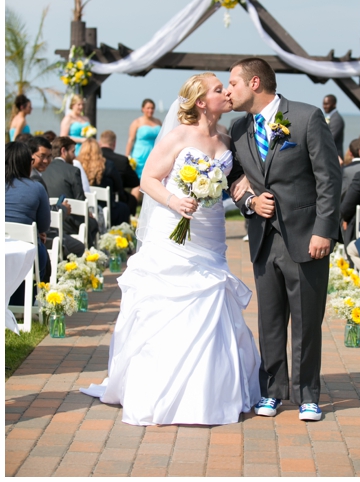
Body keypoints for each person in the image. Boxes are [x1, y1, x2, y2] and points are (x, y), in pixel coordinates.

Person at [81, 73, 261, 425]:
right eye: (218, 90)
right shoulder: (178, 135)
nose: (226, 92)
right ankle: (157, 388)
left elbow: (238, 178)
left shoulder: (226, 136)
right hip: (173, 228)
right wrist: (175, 201)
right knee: (168, 300)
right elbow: (148, 178)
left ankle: (209, 391)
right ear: (200, 102)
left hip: (210, 231)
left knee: (210, 297)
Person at [226, 57, 342, 422]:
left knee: (306, 321)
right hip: (263, 238)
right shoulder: (238, 128)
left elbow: (329, 178)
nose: (228, 90)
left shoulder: (307, 118)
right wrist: (249, 201)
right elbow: (237, 179)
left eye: (233, 83)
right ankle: (272, 391)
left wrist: (324, 229)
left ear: (255, 83)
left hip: (307, 237)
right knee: (270, 320)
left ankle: (308, 394)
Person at [6, 141, 51, 306]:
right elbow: (45, 225)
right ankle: (22, 305)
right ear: (27, 163)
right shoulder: (36, 188)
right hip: (25, 251)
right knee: (40, 252)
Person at [28, 135, 84, 256]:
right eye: (42, 156)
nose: (46, 161)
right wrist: (63, 208)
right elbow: (43, 214)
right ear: (30, 155)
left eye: (49, 157)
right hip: (40, 233)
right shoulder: (34, 179)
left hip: (37, 231)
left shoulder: (35, 175)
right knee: (79, 246)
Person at [42, 136, 98, 246]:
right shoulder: (73, 171)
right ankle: (89, 252)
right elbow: (80, 200)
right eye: (73, 151)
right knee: (93, 223)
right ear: (63, 151)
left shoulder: (43, 171)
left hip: (48, 221)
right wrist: (87, 212)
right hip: (68, 221)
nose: (75, 156)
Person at [77, 138, 130, 226]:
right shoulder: (108, 165)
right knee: (123, 208)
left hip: (83, 208)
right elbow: (118, 187)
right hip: (106, 207)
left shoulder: (76, 166)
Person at [99, 130, 140, 214]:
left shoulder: (91, 159)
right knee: (131, 200)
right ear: (114, 143)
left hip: (94, 195)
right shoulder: (122, 160)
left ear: (100, 143)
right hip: (115, 198)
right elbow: (135, 182)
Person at [125, 99, 162, 178]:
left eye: (152, 108)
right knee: (138, 181)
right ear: (143, 109)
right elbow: (131, 140)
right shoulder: (137, 122)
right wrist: (127, 157)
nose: (150, 110)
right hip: (140, 156)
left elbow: (162, 139)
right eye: (148, 108)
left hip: (154, 155)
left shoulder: (158, 122)